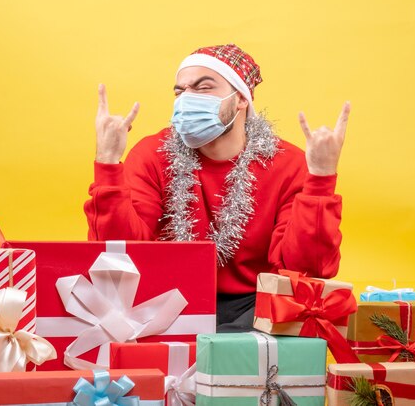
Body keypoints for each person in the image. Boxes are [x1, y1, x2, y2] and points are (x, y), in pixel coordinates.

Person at [84, 44, 350, 331]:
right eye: (179, 91)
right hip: (166, 300)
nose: (187, 100)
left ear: (240, 99)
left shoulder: (288, 163)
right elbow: (117, 255)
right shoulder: (152, 155)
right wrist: (108, 163)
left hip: (256, 306)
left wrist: (321, 178)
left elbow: (305, 271)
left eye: (203, 88)